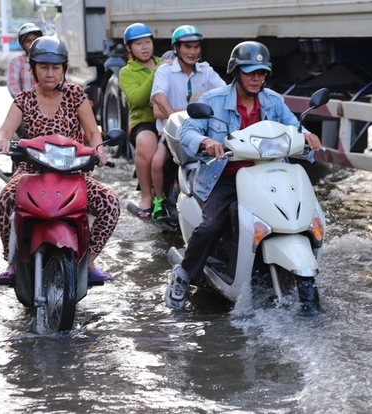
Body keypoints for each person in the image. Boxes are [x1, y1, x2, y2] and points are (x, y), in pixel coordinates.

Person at [164, 41, 323, 309]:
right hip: (226, 176)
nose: (256, 78)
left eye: (261, 72)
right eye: (250, 72)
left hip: (268, 176)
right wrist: (206, 142)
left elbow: (294, 126)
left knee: (302, 217)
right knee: (212, 224)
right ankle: (183, 275)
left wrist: (306, 134)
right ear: (236, 72)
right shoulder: (212, 100)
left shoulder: (274, 101)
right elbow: (188, 131)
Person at [0, 36, 120, 285]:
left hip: (74, 171)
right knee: (6, 199)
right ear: (33, 69)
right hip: (32, 169)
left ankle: (90, 260)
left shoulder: (76, 95)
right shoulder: (24, 99)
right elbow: (5, 130)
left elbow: (94, 132)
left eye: (55, 68)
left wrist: (98, 150)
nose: (50, 73)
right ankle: (11, 261)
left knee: (110, 203)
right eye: (43, 67)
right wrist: (2, 141)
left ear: (64, 69)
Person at [149, 25, 226, 224]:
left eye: (196, 47)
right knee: (157, 163)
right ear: (176, 48)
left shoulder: (206, 71)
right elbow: (158, 95)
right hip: (173, 134)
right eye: (187, 47)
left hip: (201, 134)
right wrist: (175, 120)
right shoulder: (165, 70)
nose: (192, 52)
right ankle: (158, 201)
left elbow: (225, 92)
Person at [118, 23, 162, 220]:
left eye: (148, 42)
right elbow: (137, 99)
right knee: (146, 143)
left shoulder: (163, 62)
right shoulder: (127, 72)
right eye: (138, 44)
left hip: (170, 117)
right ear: (129, 48)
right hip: (145, 122)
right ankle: (146, 196)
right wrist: (157, 72)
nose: (145, 47)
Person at [7, 23, 43, 98]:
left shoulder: (51, 59)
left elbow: (66, 82)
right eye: (28, 41)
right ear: (22, 44)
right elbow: (12, 85)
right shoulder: (16, 62)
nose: (33, 43)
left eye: (35, 40)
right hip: (26, 107)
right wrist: (25, 102)